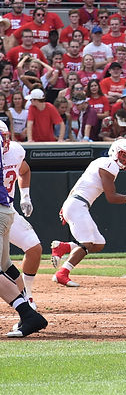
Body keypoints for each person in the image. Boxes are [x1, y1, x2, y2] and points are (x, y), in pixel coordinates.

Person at [53, 139, 126, 288]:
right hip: (77, 204)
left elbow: (79, 184)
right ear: (114, 151)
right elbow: (111, 197)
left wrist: (65, 205)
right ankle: (62, 273)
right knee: (87, 243)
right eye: (123, 155)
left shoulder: (101, 161)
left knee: (98, 244)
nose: (124, 160)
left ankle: (64, 247)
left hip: (76, 203)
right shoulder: (110, 165)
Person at [0, 123, 41, 316]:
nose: (4, 141)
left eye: (5, 136)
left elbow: (24, 170)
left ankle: (27, 296)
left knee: (34, 248)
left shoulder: (15, 150)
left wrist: (25, 195)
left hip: (6, 210)